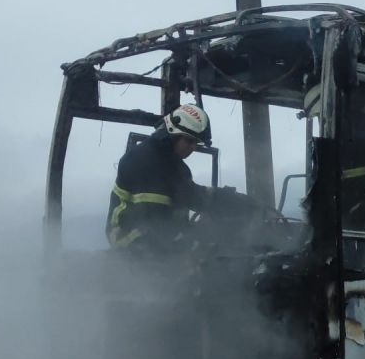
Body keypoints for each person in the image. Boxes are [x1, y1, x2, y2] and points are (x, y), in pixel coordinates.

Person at [106, 104, 256, 253]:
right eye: (189, 141)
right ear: (172, 133)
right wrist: (196, 238)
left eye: (196, 143)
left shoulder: (176, 168)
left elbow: (192, 195)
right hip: (129, 241)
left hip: (155, 242)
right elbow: (156, 221)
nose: (192, 148)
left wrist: (233, 201)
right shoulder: (144, 160)